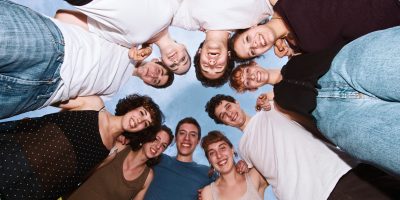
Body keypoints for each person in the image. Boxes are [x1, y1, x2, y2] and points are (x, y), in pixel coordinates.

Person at [250, 27, 400, 175]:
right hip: (335, 117)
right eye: (247, 82)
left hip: (341, 66)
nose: (250, 77)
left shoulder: (292, 57)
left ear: (254, 64)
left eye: (246, 72)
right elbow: (305, 124)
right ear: (252, 88)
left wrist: (286, 42)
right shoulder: (279, 102)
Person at [205, 94, 400, 200]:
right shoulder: (243, 148)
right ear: (224, 123)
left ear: (236, 102)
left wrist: (272, 97)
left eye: (228, 106)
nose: (229, 114)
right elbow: (250, 178)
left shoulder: (270, 107)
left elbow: (293, 86)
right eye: (223, 115)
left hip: (339, 175)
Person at [0, 0, 173, 119]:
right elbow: (64, 16)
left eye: (156, 81)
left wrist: (52, 96)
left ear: (148, 84)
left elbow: (78, 103)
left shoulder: (112, 91)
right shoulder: (128, 41)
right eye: (159, 71)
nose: (153, 76)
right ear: (156, 60)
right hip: (54, 49)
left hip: (41, 92)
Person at [0, 93, 164, 199]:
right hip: (20, 153)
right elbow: (45, 96)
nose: (140, 120)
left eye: (146, 123)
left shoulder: (111, 151)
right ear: (133, 106)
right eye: (142, 113)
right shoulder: (95, 105)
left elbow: (80, 177)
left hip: (39, 187)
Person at [229, 0, 400, 61]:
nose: (255, 44)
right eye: (252, 51)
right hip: (392, 22)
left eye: (247, 39)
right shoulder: (300, 49)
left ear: (251, 26)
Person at [58, 0, 191, 74]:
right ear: (184, 46)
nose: (176, 61)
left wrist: (126, 50)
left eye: (173, 66)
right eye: (183, 59)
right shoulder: (173, 7)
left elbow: (63, 17)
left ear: (163, 61)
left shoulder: (130, 43)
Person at [173, 0, 273, 86]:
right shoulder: (251, 23)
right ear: (228, 56)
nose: (212, 63)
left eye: (206, 66)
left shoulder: (188, 20)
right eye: (219, 67)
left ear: (199, 52)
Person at [68, 125, 174, 200]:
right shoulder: (120, 147)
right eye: (156, 139)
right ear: (147, 136)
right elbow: (84, 168)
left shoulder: (148, 176)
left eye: (163, 145)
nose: (158, 146)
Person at [144, 117, 216, 200]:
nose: (187, 138)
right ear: (175, 138)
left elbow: (228, 188)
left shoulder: (207, 173)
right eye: (182, 133)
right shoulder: (157, 158)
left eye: (192, 135)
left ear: (198, 141)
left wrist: (212, 194)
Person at [200, 131, 267, 200]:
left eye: (222, 148)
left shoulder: (254, 176)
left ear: (232, 149)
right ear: (209, 160)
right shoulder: (209, 193)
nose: (219, 155)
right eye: (212, 153)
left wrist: (249, 163)